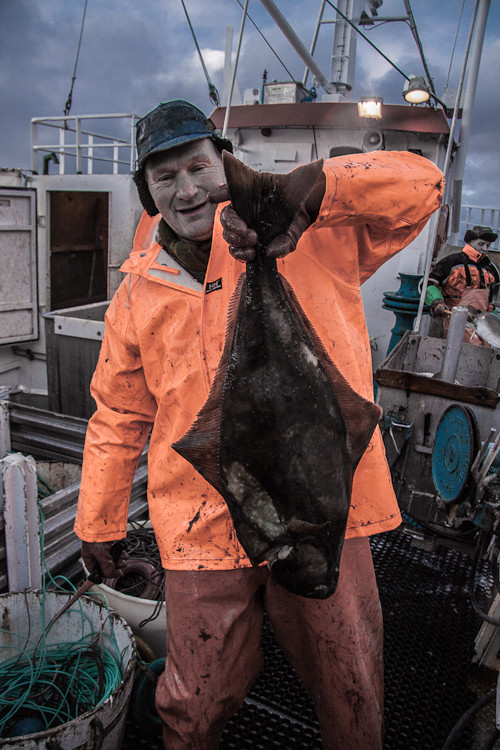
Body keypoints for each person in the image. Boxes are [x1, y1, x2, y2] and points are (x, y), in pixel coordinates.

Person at [74, 99, 443, 749]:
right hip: (203, 518)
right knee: (197, 696)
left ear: (226, 162)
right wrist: (98, 521)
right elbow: (121, 412)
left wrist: (313, 190)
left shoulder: (312, 230)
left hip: (319, 501)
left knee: (348, 676)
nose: (186, 189)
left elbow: (421, 185)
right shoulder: (138, 289)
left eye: (198, 166)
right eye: (165, 177)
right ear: (146, 191)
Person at [425, 225, 499, 344]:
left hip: (483, 327)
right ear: (470, 242)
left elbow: (491, 305)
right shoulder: (452, 261)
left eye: (488, 245)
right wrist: (437, 302)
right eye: (481, 244)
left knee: (486, 354)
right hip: (456, 321)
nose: (485, 248)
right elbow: (430, 284)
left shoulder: (490, 270)